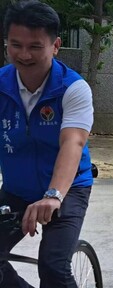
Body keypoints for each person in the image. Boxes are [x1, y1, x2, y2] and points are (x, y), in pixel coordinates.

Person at [0, 1, 94, 286]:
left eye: (35, 46)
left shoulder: (73, 88)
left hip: (68, 189)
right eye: (15, 45)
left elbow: (73, 143)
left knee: (53, 266)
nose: (24, 54)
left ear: (55, 46)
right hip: (17, 190)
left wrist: (53, 195)